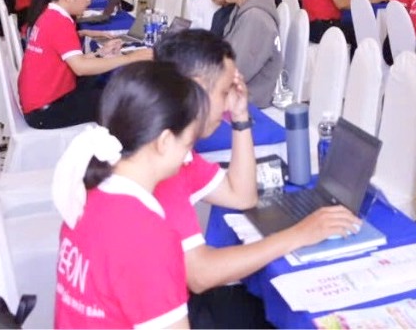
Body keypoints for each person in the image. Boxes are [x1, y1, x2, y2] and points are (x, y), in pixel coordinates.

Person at [153, 31, 360, 328]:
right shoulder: (161, 168)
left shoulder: (178, 152)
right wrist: (301, 233)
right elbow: (200, 275)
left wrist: (240, 119)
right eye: (224, 92)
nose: (228, 104)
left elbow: (242, 196)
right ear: (197, 89)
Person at [52, 62, 202, 329]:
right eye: (188, 143)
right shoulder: (148, 236)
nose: (189, 156)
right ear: (165, 141)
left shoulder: (84, 194)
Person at [19, 0, 152, 129]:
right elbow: (80, 68)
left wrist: (100, 53)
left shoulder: (50, 15)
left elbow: (69, 60)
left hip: (42, 100)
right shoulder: (59, 22)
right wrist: (131, 58)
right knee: (118, 101)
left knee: (103, 86)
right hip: (46, 110)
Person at [220, 0, 282, 108]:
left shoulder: (255, 18)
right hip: (238, 91)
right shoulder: (242, 9)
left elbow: (240, 68)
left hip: (251, 98)